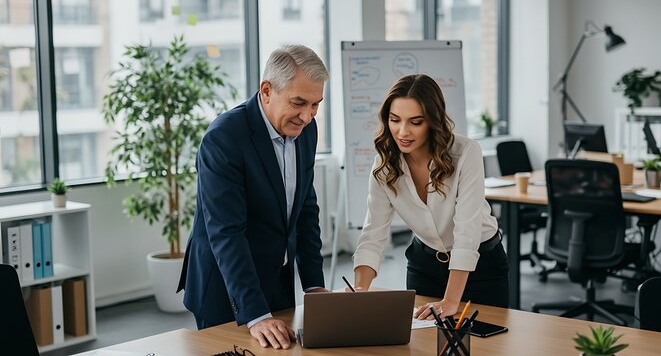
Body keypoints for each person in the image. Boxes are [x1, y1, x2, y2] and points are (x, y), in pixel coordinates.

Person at [177, 45, 329, 349]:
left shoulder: (305, 132)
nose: (308, 116)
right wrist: (256, 314)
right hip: (225, 288)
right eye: (299, 102)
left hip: (277, 277)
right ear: (267, 90)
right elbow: (226, 232)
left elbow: (305, 211)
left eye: (315, 104)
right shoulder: (224, 138)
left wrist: (314, 286)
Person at [352, 74, 509, 320]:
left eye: (416, 122)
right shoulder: (383, 167)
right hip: (424, 265)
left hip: (481, 266)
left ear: (433, 121)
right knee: (421, 345)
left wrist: (450, 300)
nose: (402, 132)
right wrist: (360, 290)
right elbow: (373, 234)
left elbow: (467, 231)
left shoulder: (466, 152)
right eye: (395, 120)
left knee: (484, 344)